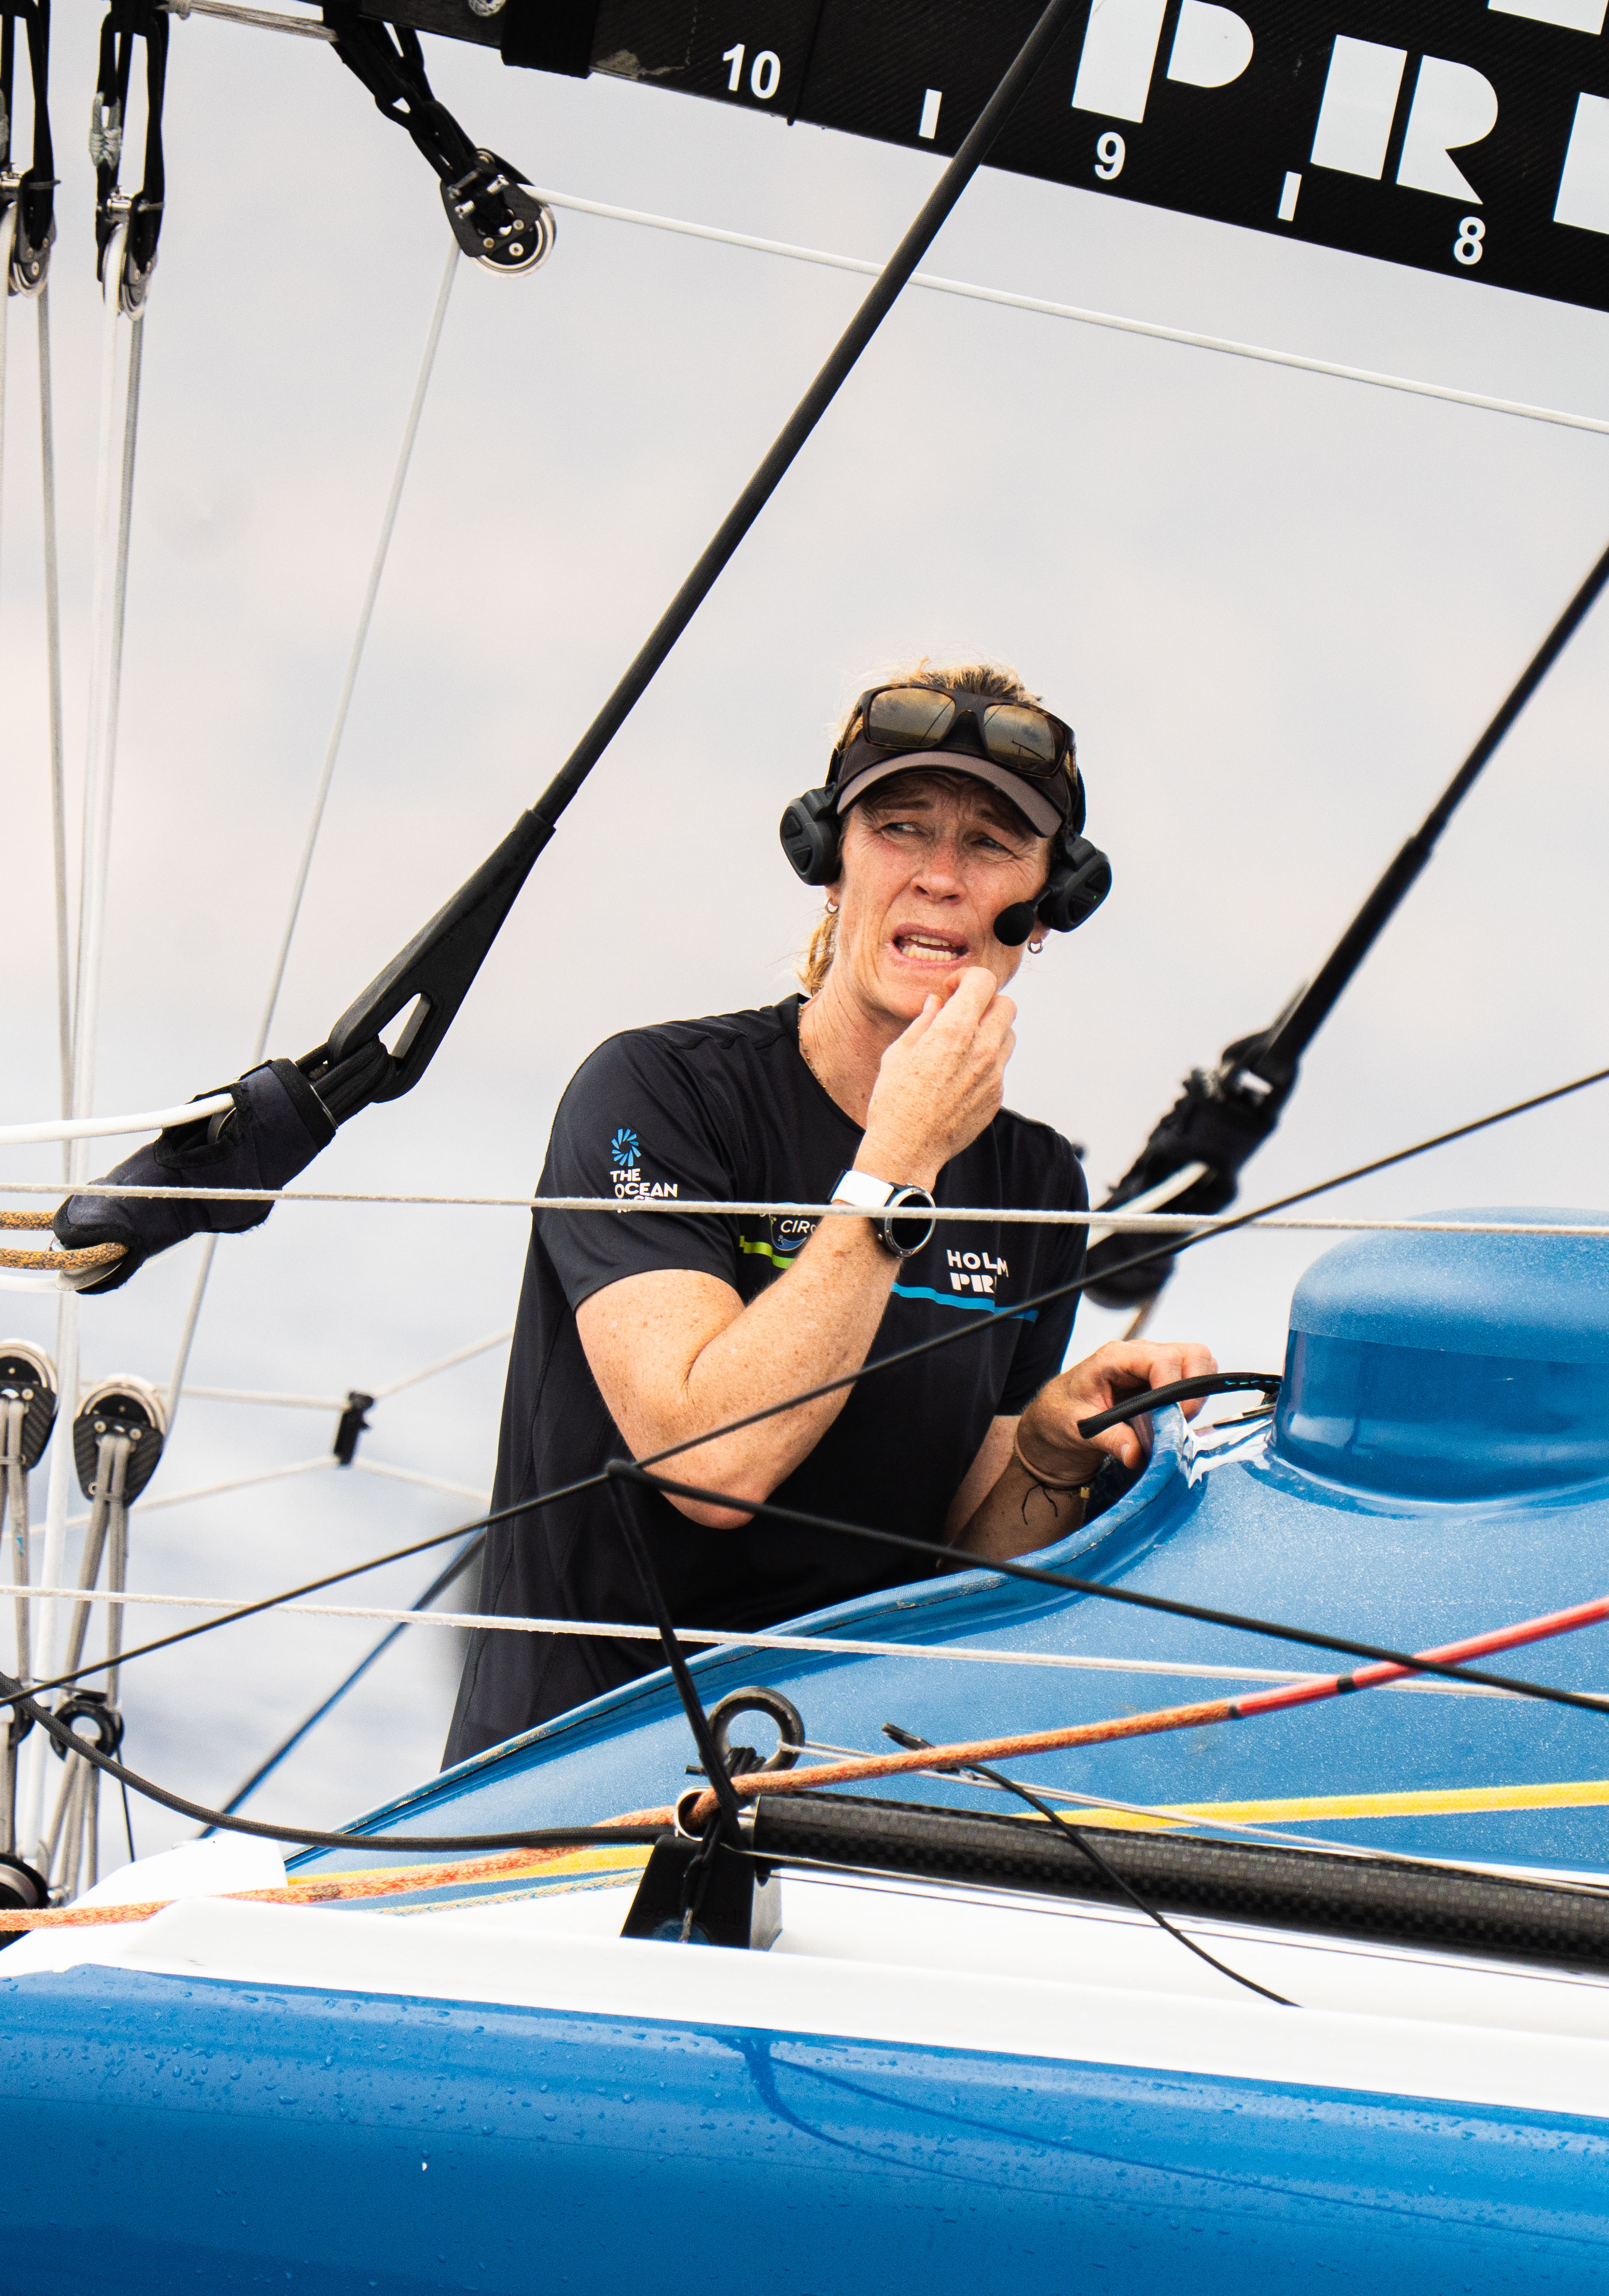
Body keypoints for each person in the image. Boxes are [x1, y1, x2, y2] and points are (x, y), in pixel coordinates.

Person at [441, 660, 1220, 1764]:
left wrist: (1047, 1454)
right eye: (901, 827)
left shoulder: (1039, 1185)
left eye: (992, 844)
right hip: (559, 1786)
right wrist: (900, 1158)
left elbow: (957, 1554)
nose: (940, 877)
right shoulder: (652, 1095)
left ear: (1048, 905)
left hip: (834, 1787)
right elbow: (711, 1464)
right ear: (830, 862)